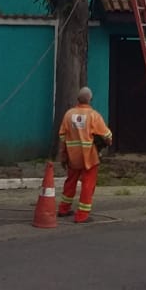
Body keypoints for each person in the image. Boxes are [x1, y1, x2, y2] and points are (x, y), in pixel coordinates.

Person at [58, 86, 112, 223]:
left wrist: (63, 155)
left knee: (70, 182)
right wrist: (105, 143)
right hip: (89, 156)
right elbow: (107, 136)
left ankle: (63, 209)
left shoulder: (68, 114)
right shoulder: (94, 115)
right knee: (88, 184)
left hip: (72, 156)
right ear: (90, 99)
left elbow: (62, 137)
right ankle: (82, 215)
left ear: (77, 99)